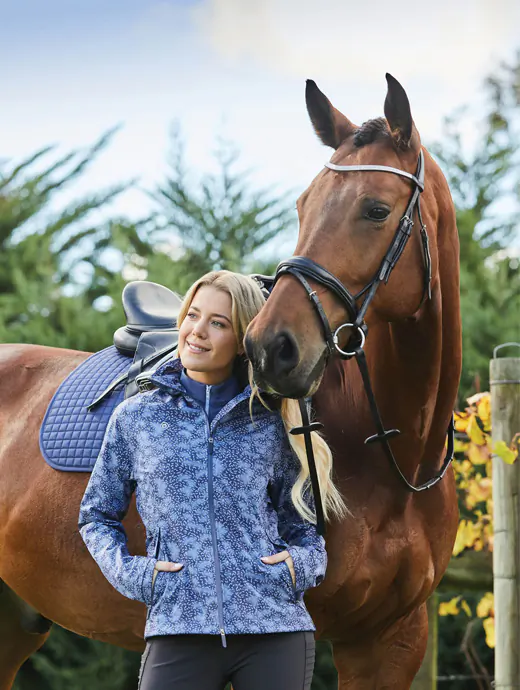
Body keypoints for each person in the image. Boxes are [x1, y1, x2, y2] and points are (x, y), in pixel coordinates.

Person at [78, 270, 348, 690]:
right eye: (192, 316)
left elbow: (305, 529)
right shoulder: (136, 418)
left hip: (273, 629)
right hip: (177, 626)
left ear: (242, 340)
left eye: (218, 323)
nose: (196, 332)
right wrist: (137, 575)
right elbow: (95, 517)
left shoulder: (272, 421)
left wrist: (298, 568)